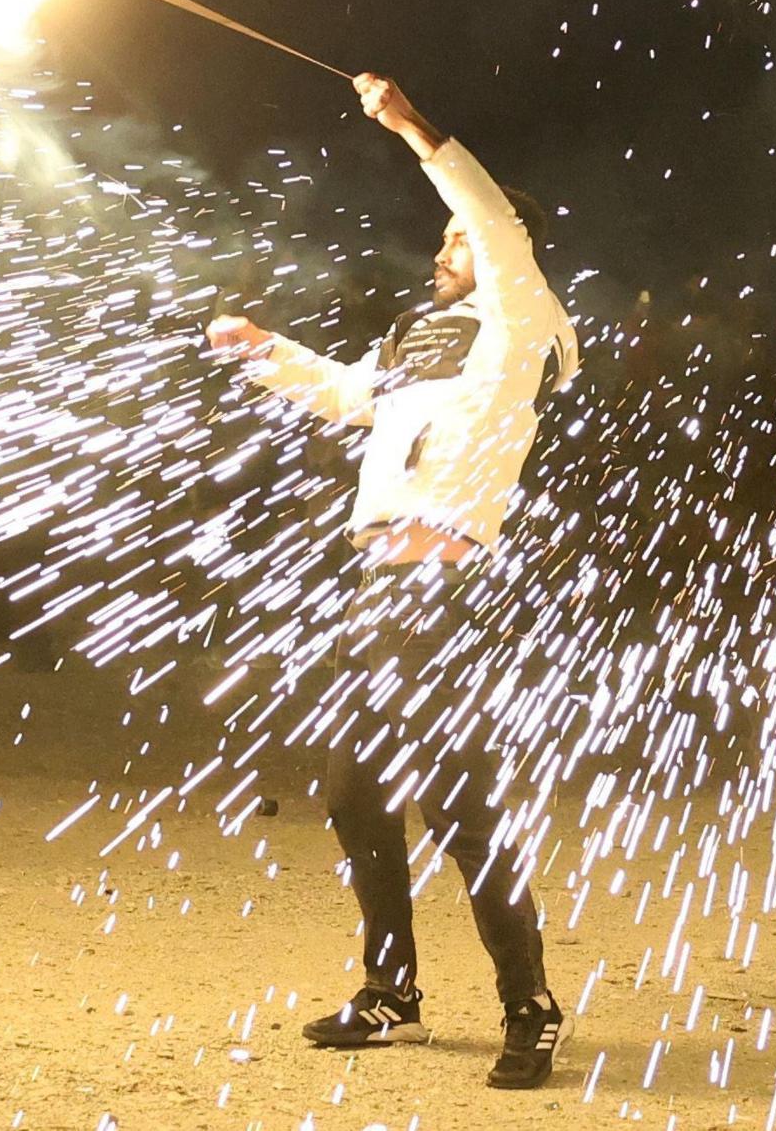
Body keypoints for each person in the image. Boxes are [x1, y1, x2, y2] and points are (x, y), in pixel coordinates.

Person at [207, 73, 581, 1090]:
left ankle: (531, 1004)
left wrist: (415, 127)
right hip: (380, 593)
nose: (445, 249)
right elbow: (351, 396)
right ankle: (393, 995)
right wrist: (267, 350)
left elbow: (495, 228)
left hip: (451, 598)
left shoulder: (522, 322)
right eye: (449, 239)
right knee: (357, 797)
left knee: (461, 810)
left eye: (457, 238)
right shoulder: (418, 334)